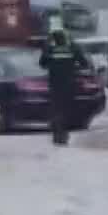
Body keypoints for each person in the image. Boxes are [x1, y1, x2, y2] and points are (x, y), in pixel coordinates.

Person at [38, 18, 91, 146]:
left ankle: (58, 135)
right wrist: (75, 67)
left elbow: (42, 63)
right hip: (69, 83)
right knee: (66, 109)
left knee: (56, 110)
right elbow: (84, 62)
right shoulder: (72, 45)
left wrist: (52, 64)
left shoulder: (49, 47)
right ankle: (63, 134)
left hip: (55, 83)